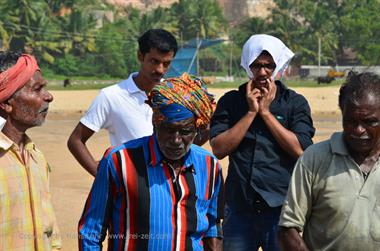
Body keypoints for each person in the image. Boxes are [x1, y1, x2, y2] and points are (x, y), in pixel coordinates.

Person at [78, 73, 223, 250]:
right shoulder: (119, 161)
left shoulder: (210, 166)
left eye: (185, 131)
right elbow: (90, 232)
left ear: (198, 129)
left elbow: (212, 225)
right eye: (168, 130)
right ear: (155, 123)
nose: (176, 140)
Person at [210, 34, 315, 251]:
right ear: (248, 65)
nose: (263, 72)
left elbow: (300, 150)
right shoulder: (231, 101)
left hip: (280, 208)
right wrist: (250, 113)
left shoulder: (294, 103)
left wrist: (266, 114)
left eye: (269, 65)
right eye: (256, 65)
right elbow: (219, 148)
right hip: (239, 207)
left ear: (278, 66)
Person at [278, 72, 380, 251]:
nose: (358, 130)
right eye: (350, 121)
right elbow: (288, 229)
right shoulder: (315, 158)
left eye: (369, 122)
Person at [67, 29, 178, 177]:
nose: (160, 69)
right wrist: (103, 177)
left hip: (167, 185)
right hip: (129, 188)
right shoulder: (111, 96)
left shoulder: (175, 95)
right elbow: (76, 140)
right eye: (154, 61)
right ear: (140, 56)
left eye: (166, 64)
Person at [0, 52, 61, 250]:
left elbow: (50, 231)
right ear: (6, 103)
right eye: (37, 89)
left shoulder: (36, 156)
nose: (49, 96)